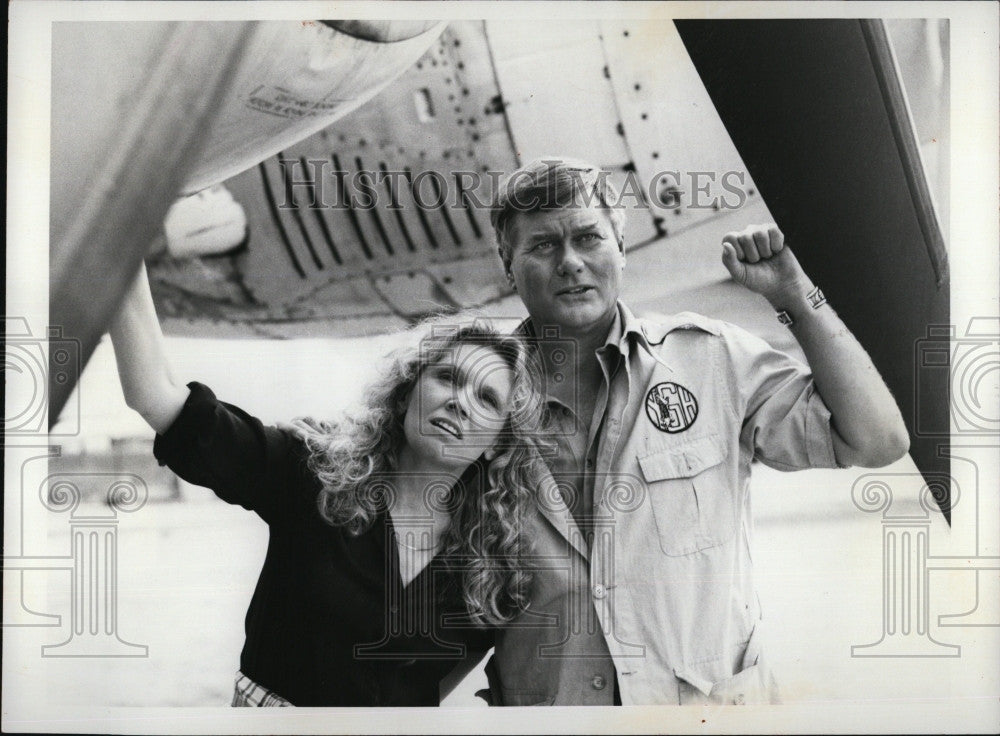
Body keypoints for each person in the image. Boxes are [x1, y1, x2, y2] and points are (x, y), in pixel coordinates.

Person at [479, 158, 911, 705]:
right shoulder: (474, 402)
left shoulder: (714, 360)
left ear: (620, 243)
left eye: (589, 238)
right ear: (507, 262)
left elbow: (877, 439)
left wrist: (796, 296)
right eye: (542, 246)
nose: (571, 264)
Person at [108, 263, 545, 707]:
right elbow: (155, 394)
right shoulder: (311, 473)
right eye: (447, 377)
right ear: (407, 392)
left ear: (497, 443)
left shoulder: (489, 567)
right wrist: (117, 231)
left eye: (487, 399)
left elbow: (429, 692)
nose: (460, 401)